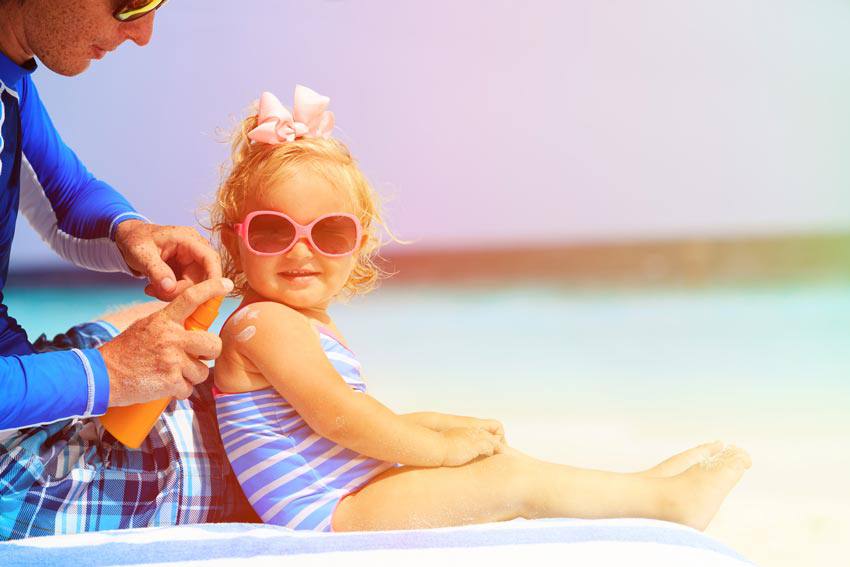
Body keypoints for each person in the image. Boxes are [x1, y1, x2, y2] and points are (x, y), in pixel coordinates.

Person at [209, 87, 752, 533]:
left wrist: (443, 426)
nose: (301, 251)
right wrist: (440, 451)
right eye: (273, 231)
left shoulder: (301, 324)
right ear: (236, 243)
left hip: (347, 496)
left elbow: (344, 421)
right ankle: (667, 504)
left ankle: (642, 491)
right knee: (504, 484)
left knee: (500, 466)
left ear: (360, 243)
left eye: (329, 231)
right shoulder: (268, 324)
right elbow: (342, 420)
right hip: (330, 517)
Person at [0, 0, 252, 539]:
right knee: (240, 468)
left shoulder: (8, 72)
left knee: (177, 346)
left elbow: (64, 191)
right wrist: (109, 373)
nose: (143, 34)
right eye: (131, 2)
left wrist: (131, 233)